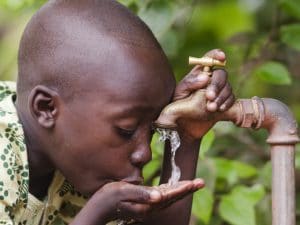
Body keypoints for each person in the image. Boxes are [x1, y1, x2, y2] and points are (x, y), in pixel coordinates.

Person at [0, 0, 234, 224]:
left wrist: (185, 134)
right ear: (46, 109)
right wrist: (98, 211)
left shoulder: (69, 159)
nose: (145, 155)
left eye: (152, 131)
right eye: (126, 130)